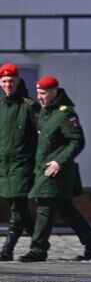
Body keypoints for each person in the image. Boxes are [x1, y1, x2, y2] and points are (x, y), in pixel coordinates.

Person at [20, 76, 91, 262]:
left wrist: (59, 162)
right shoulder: (46, 112)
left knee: (45, 207)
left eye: (43, 93)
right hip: (43, 169)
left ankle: (38, 249)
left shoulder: (65, 114)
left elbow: (77, 141)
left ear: (54, 92)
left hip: (57, 171)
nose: (39, 97)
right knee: (66, 210)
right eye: (38, 93)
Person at [0, 63, 37, 260]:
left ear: (18, 81)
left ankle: (7, 249)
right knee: (17, 205)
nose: (8, 85)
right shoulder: (0, 106)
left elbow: (42, 134)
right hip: (3, 166)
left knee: (18, 207)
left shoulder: (28, 106)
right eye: (5, 81)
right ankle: (40, 241)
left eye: (11, 81)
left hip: (22, 164)